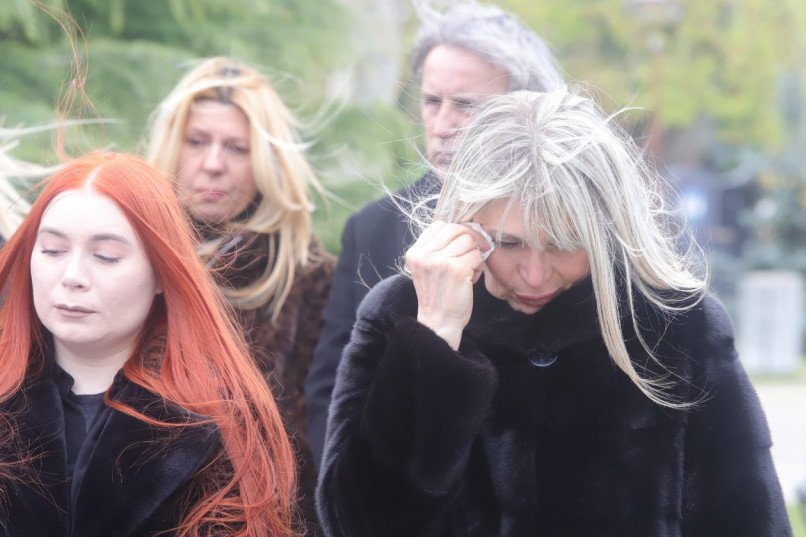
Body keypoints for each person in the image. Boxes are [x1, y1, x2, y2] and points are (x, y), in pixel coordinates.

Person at [316, 89, 793, 536]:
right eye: (509, 243)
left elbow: (746, 519)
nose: (535, 274)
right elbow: (354, 523)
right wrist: (436, 339)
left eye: (565, 244)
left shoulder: (674, 323)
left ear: (606, 230)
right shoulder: (403, 313)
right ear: (463, 221)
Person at [305, 0, 563, 467]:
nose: (443, 126)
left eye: (466, 104)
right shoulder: (373, 228)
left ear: (527, 108)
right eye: (431, 101)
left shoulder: (572, 232)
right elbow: (331, 391)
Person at [0, 152, 296, 536]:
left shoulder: (220, 419)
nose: (72, 276)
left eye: (106, 257)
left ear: (160, 273)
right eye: (53, 250)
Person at [147, 57, 334, 534]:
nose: (213, 164)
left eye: (237, 148)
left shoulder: (310, 278)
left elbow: (318, 447)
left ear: (267, 161)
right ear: (172, 144)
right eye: (196, 141)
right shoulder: (126, 254)